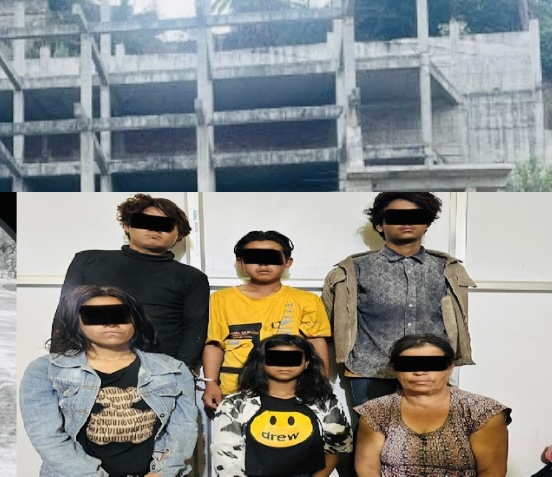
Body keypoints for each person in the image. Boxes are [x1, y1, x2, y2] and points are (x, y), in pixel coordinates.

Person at [20, 285, 198, 477]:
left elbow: (183, 428)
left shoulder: (173, 370)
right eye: (95, 316)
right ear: (76, 322)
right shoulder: (45, 370)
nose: (111, 323)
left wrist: (163, 472)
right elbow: (48, 438)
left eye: (120, 315)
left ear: (135, 320)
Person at [322, 192, 476, 405]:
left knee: (430, 427)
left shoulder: (447, 268)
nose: (406, 222)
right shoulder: (353, 269)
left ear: (426, 223)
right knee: (372, 428)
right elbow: (329, 322)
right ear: (380, 225)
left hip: (429, 370)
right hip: (371, 371)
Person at [59, 193, 210, 370]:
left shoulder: (192, 277)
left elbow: (195, 331)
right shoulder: (87, 261)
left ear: (179, 235)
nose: (155, 229)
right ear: (127, 225)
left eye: (165, 225)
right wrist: (59, 363)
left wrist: (183, 372)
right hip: (87, 368)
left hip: (160, 372)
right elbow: (64, 316)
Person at [202, 230, 332, 410]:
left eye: (272, 257)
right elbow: (215, 344)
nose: (263, 263)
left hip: (292, 391)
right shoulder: (220, 299)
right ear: (240, 263)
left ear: (287, 262)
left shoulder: (307, 301)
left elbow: (317, 343)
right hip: (234, 391)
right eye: (254, 257)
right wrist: (210, 383)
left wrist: (321, 384)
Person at [355, 334, 511, 477]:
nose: (420, 372)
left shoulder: (481, 411)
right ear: (394, 370)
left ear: (450, 368)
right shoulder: (375, 411)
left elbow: (492, 472)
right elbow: (367, 468)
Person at [211, 334, 353, 477]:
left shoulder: (326, 403)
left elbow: (334, 452)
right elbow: (226, 459)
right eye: (276, 358)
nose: (285, 365)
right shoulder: (234, 405)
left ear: (306, 363)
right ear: (262, 361)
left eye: (293, 359)